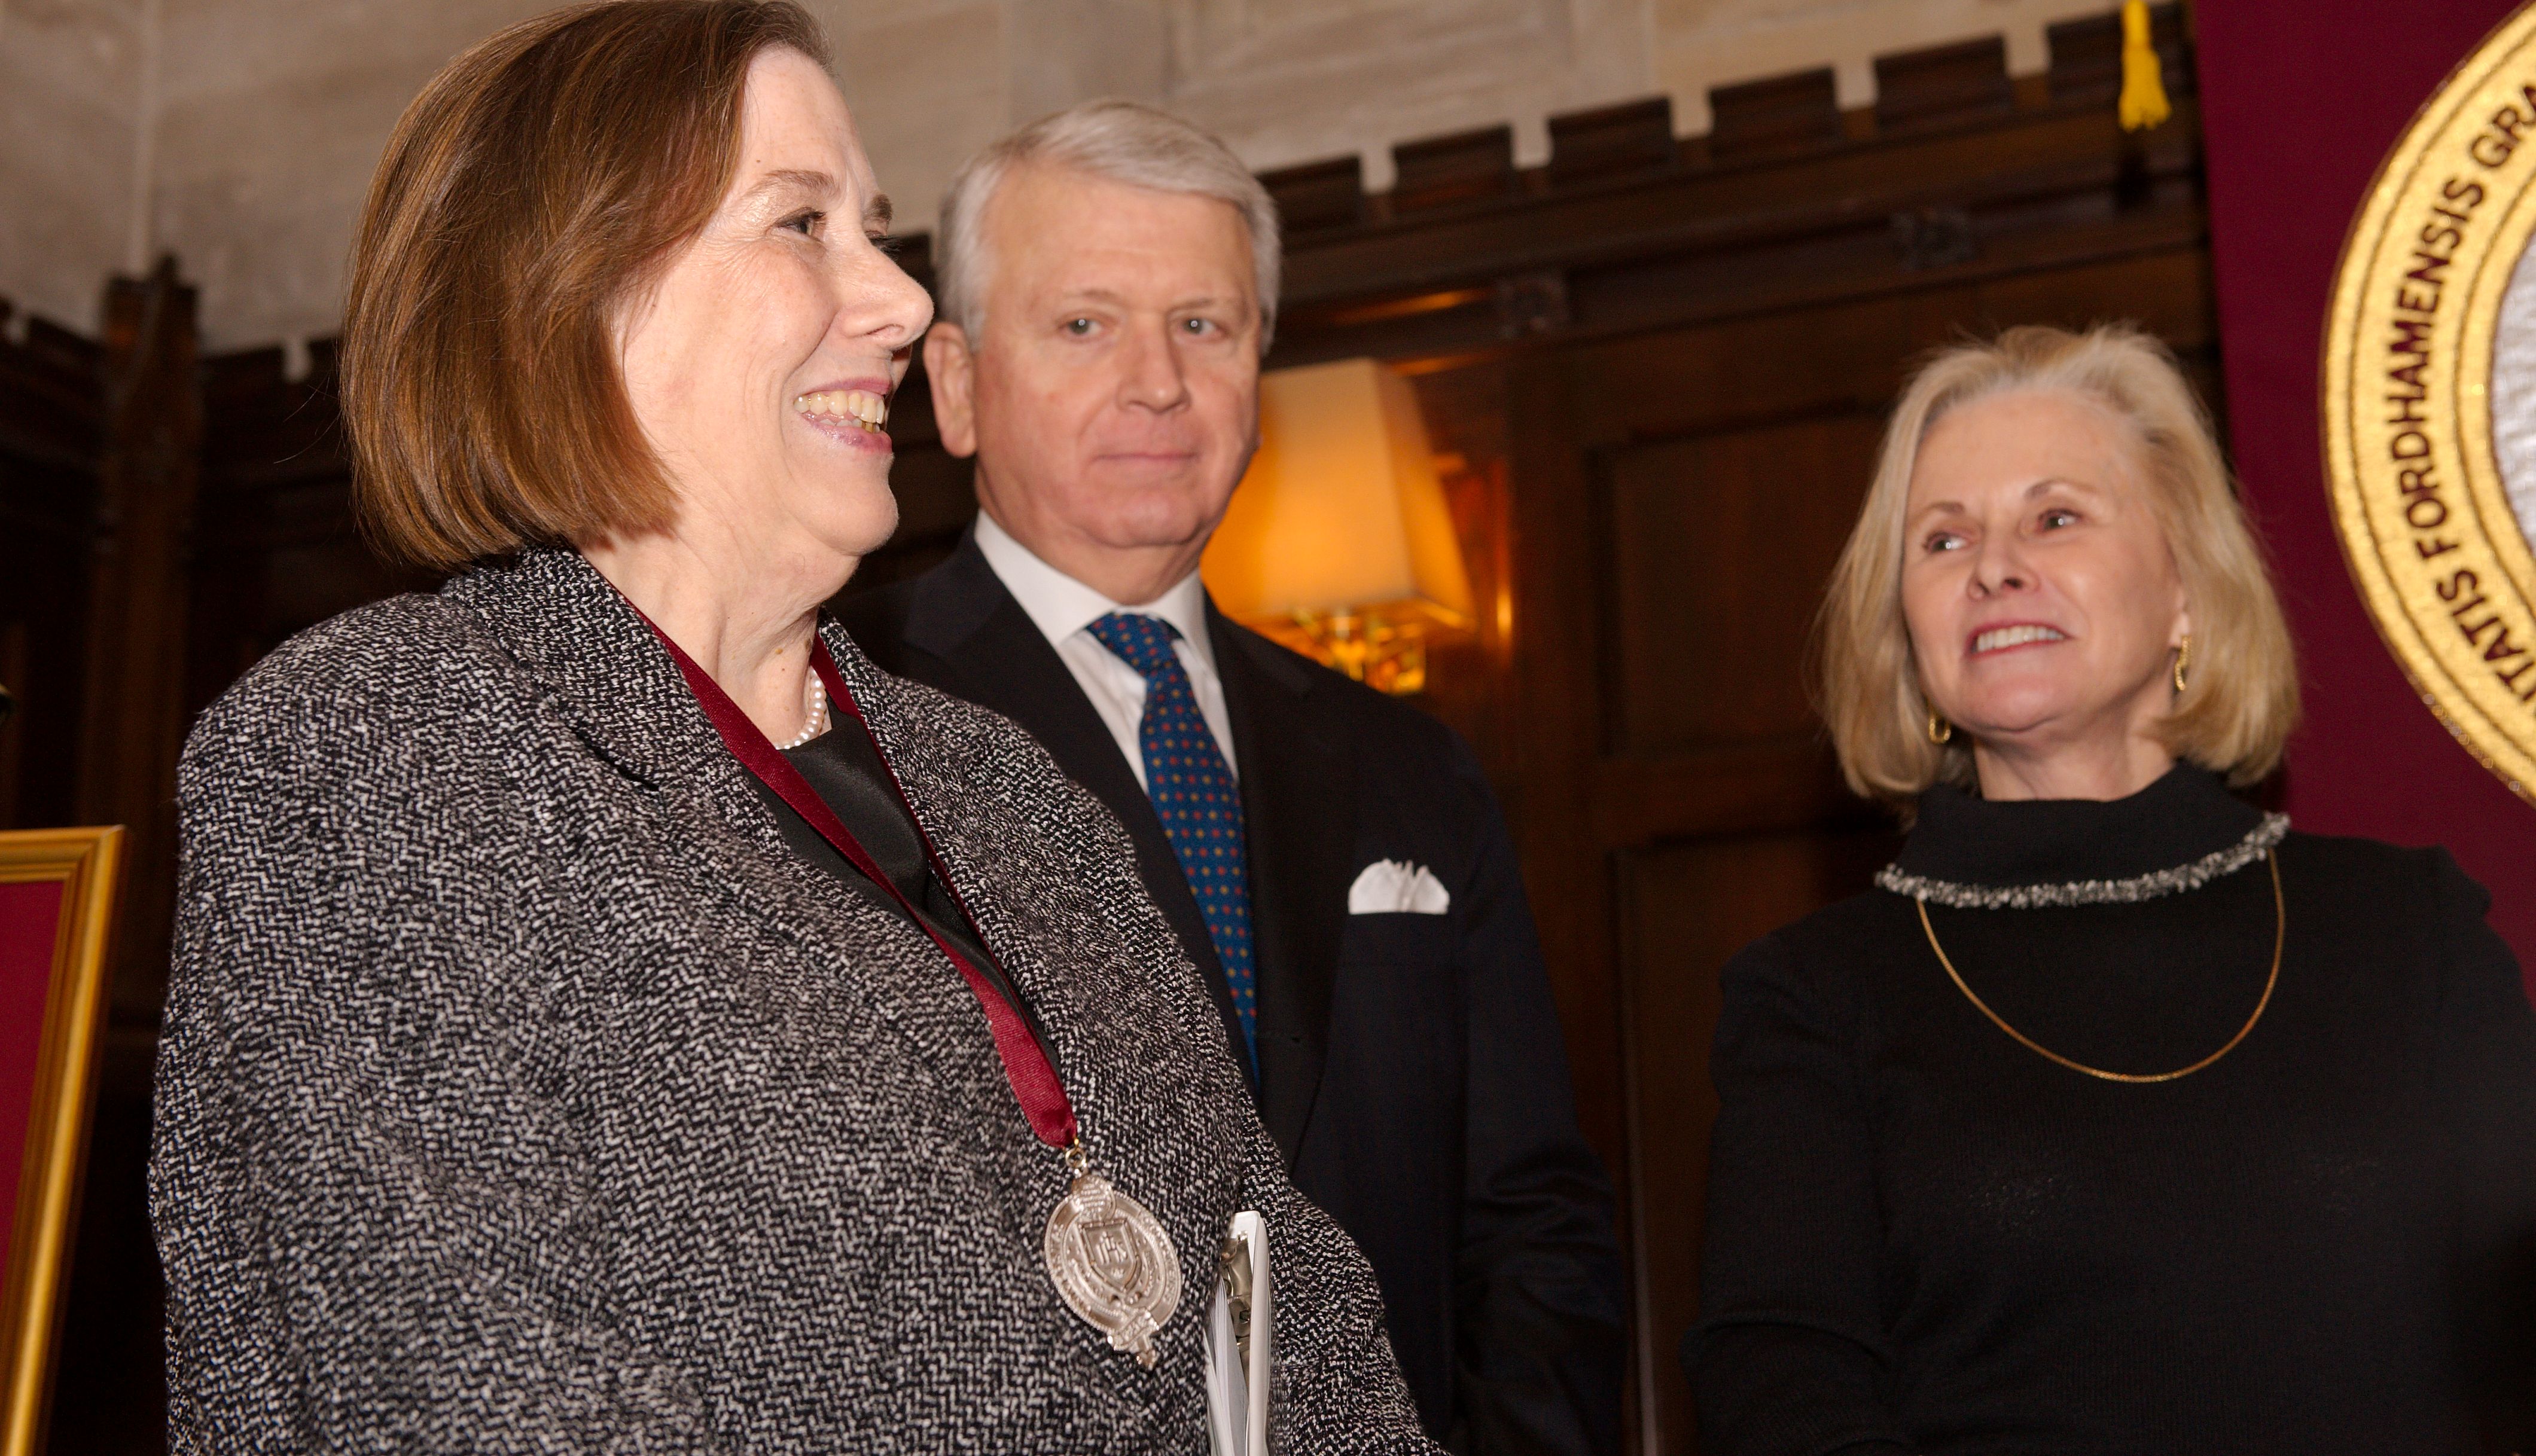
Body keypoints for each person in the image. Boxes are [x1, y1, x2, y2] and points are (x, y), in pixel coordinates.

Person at [149, 0, 1438, 1453]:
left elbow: (1304, 1321)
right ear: (567, 300)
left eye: (872, 226)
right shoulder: (375, 751)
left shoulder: (1008, 787)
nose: (896, 301)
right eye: (800, 224)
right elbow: (451, 1391)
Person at [839, 101, 1626, 1452]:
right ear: (957, 386)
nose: (1157, 379)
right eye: (1084, 323)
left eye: (1202, 324)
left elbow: (1533, 1214)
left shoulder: (1403, 763)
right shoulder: (847, 717)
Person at [1685, 324, 2536, 1453]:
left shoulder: (2410, 932)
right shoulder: (1814, 998)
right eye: (1943, 541)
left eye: (2056, 517)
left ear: (2186, 586)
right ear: (1910, 636)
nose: (1994, 565)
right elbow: (1785, 1399)